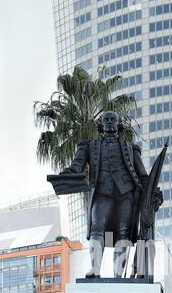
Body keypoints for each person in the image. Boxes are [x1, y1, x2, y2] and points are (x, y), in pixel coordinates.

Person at [63, 110, 161, 278]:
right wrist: (66, 175)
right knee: (96, 228)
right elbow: (77, 165)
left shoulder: (131, 149)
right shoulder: (88, 145)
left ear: (118, 125)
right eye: (106, 119)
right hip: (102, 192)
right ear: (100, 124)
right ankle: (95, 269)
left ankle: (118, 275)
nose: (109, 122)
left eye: (113, 120)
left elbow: (143, 175)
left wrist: (154, 192)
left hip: (126, 194)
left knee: (124, 233)